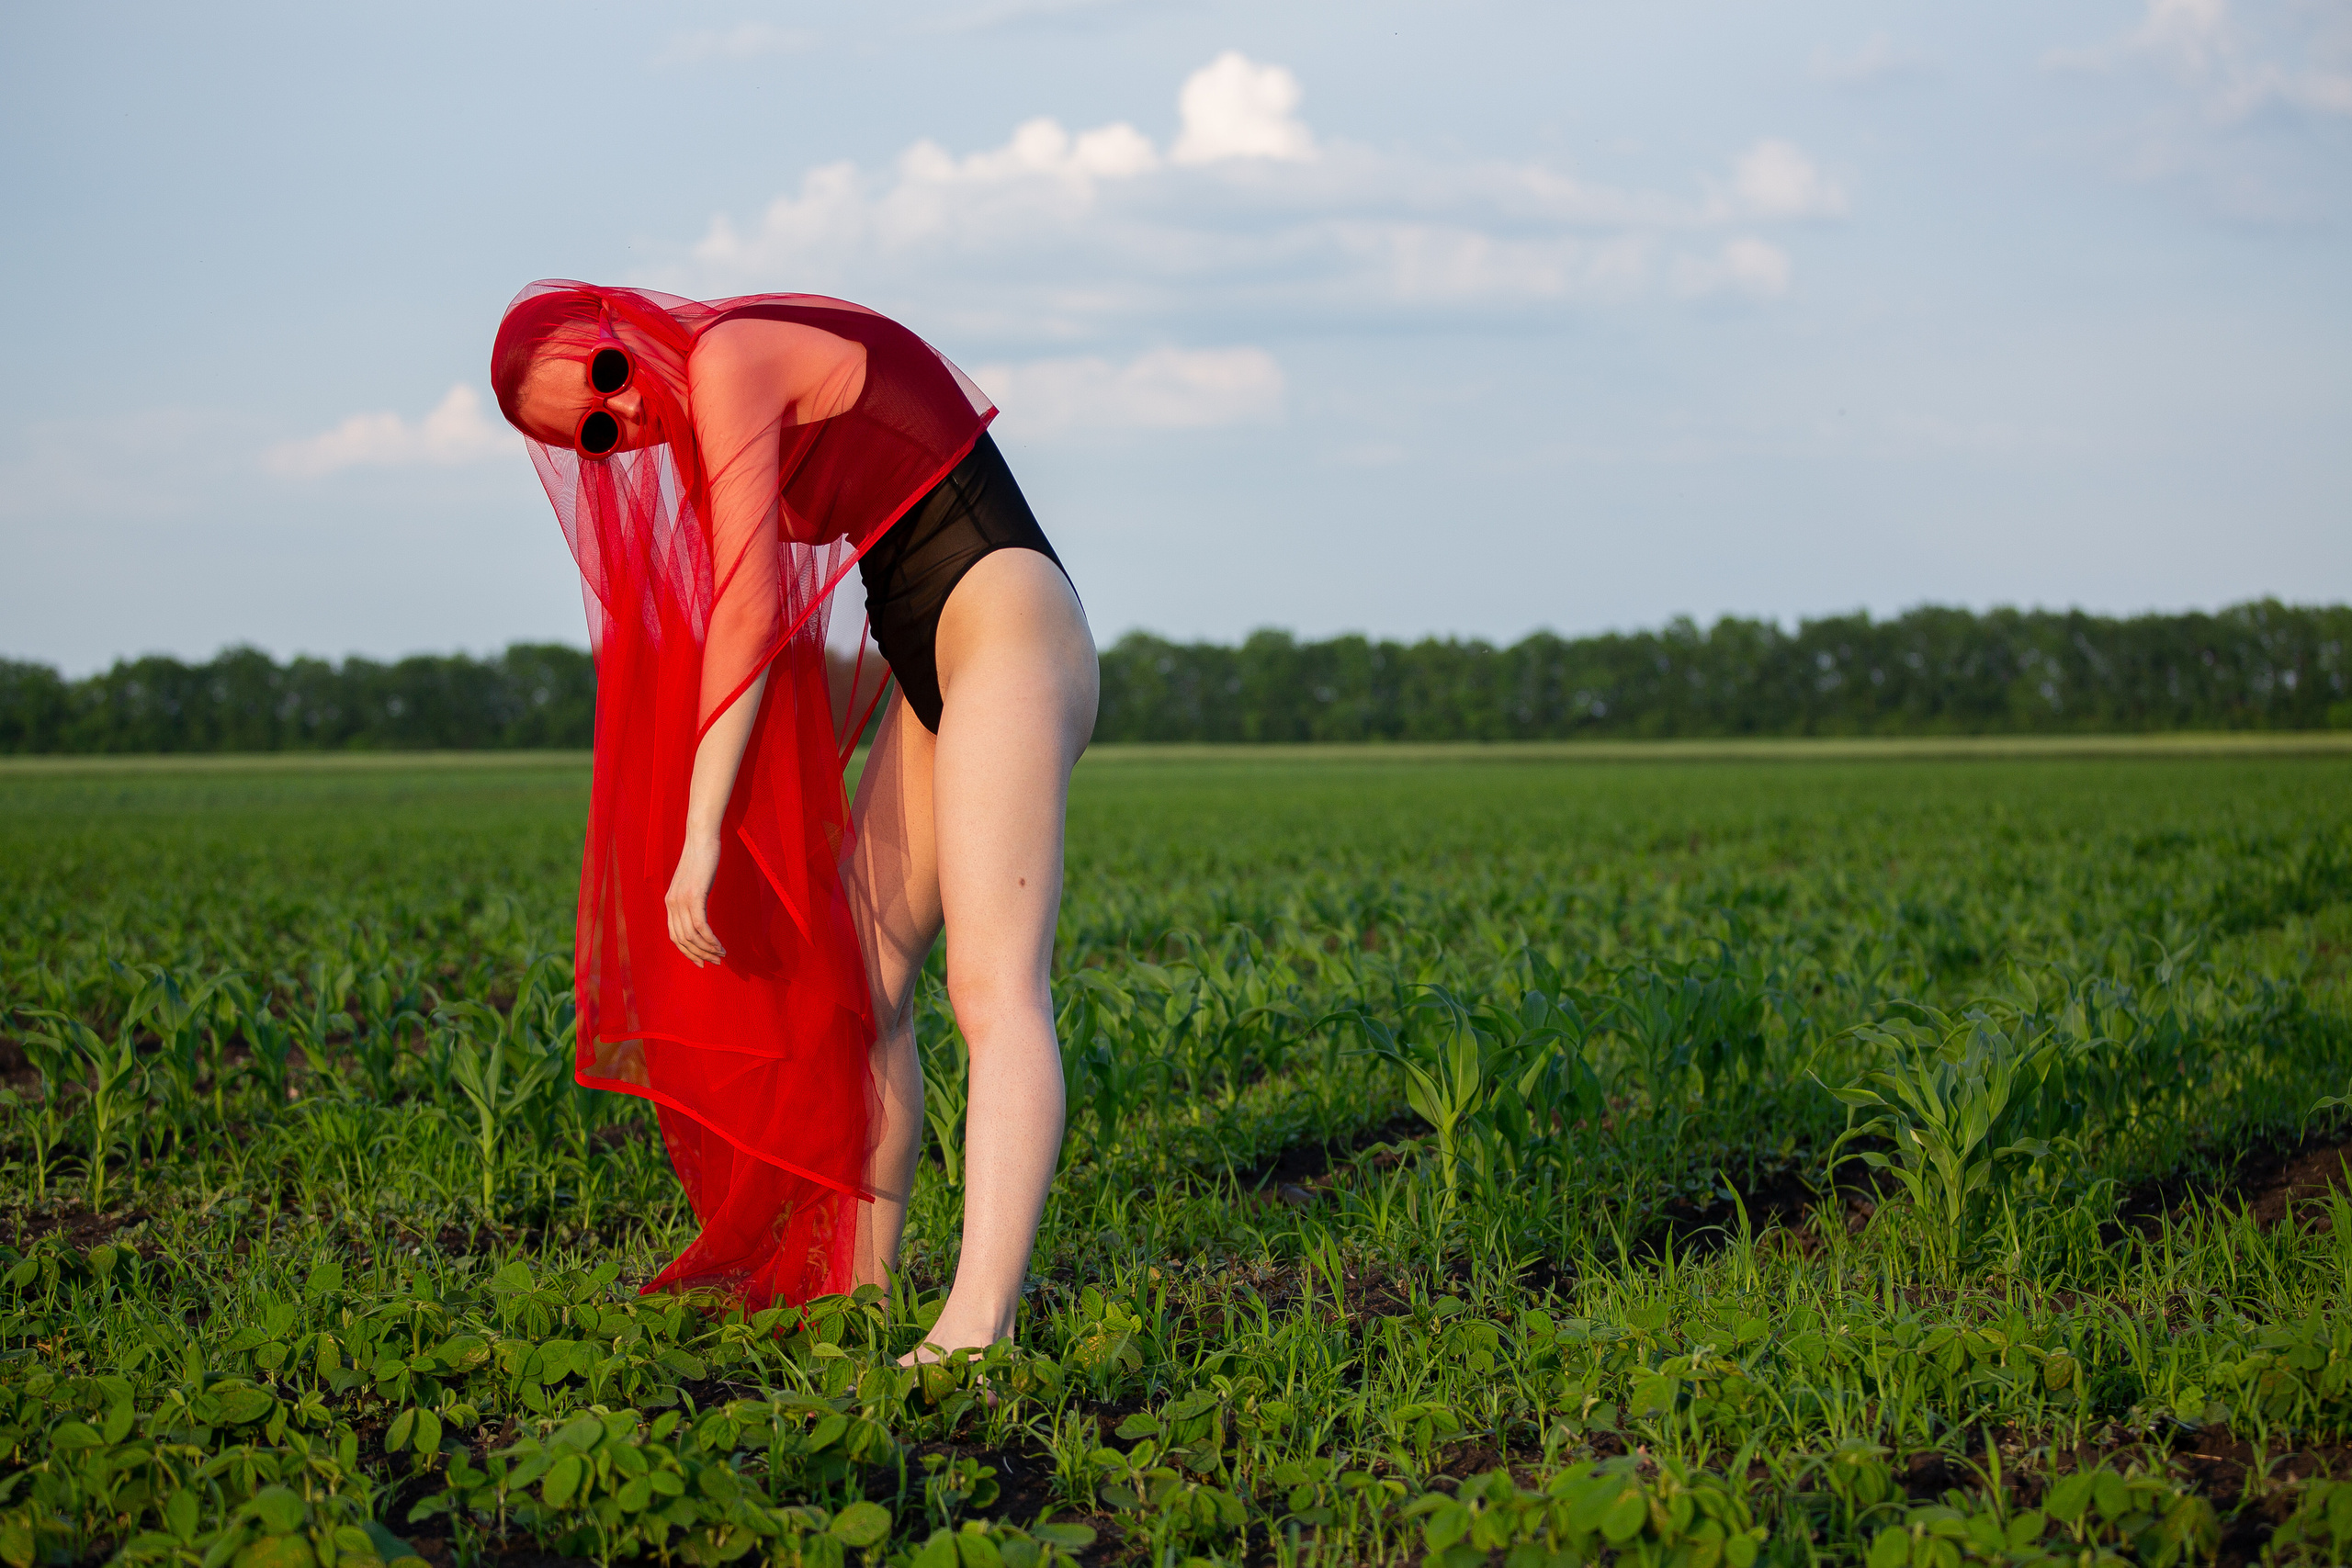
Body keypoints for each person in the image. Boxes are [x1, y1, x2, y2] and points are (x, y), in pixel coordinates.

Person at [489, 281, 1095, 1358]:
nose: (621, 415)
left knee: (993, 987)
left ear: (620, 331)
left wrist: (702, 835)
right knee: (860, 991)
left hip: (1005, 621)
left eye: (607, 379)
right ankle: (858, 1292)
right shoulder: (705, 426)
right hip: (930, 653)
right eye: (595, 434)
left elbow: (751, 609)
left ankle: (978, 1328)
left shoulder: (728, 358)